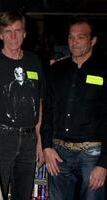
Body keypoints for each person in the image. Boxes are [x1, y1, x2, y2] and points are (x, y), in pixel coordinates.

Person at [0, 11, 45, 199]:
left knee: (23, 194)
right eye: (8, 31)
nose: (13, 36)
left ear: (25, 33)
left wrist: (39, 140)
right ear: (0, 35)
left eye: (17, 30)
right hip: (0, 138)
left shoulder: (35, 62)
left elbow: (38, 103)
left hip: (29, 139)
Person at [41, 17, 107, 200]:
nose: (74, 42)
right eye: (71, 37)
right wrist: (46, 146)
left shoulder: (103, 70)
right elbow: (49, 110)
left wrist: (104, 164)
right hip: (58, 153)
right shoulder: (56, 70)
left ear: (92, 40)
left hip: (92, 155)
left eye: (81, 37)